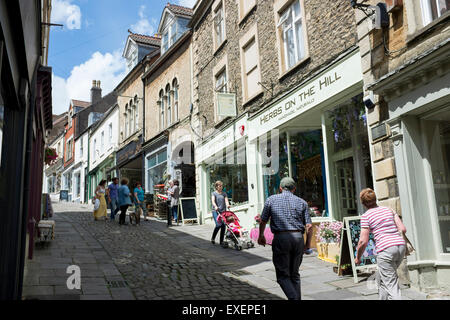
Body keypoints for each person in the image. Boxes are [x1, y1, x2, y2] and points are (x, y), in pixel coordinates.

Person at [258, 177, 312, 300]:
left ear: (280, 188)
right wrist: (307, 244)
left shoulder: (271, 200)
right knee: (295, 274)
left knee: (283, 276)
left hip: (281, 238)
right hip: (298, 238)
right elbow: (309, 226)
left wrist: (261, 235)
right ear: (294, 189)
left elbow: (263, 220)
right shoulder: (302, 202)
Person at [355, 188, 406, 300]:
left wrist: (358, 257)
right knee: (382, 279)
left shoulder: (366, 216)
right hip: (401, 247)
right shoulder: (389, 210)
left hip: (386, 250)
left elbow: (363, 241)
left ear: (363, 203)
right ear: (375, 199)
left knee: (392, 285)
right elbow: (402, 229)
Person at [211, 181, 230, 245]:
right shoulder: (214, 193)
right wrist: (215, 206)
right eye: (219, 186)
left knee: (223, 225)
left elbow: (226, 200)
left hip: (223, 212)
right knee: (218, 224)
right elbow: (213, 201)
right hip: (215, 211)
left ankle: (221, 241)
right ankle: (213, 238)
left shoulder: (224, 193)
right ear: (216, 186)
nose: (221, 187)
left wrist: (228, 205)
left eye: (221, 186)